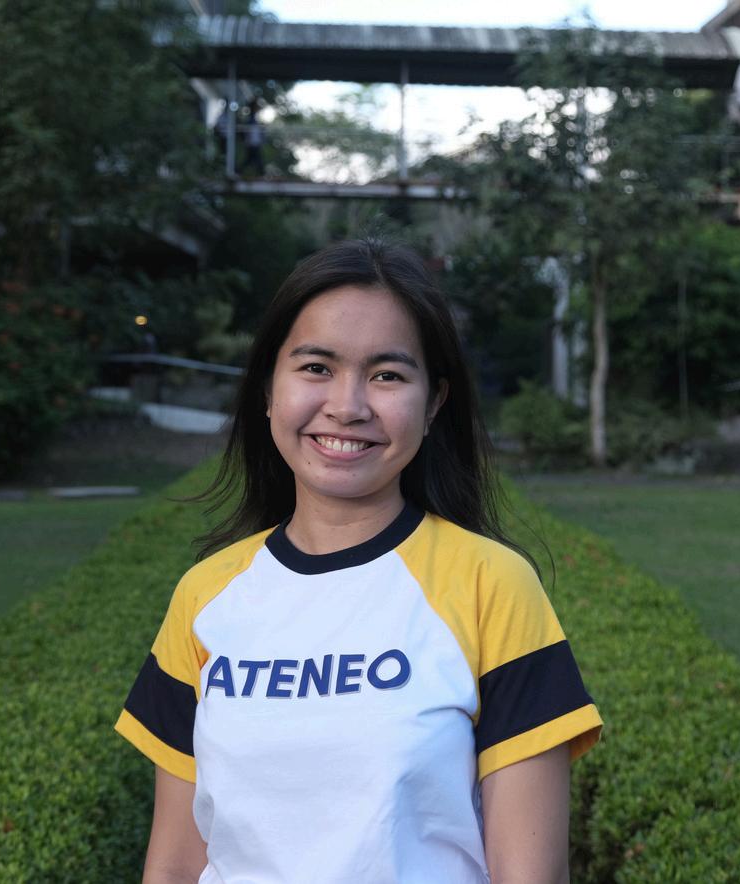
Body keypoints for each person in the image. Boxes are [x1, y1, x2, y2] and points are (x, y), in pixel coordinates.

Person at [115, 238, 602, 884]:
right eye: (316, 367)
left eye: (387, 375)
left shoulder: (492, 585)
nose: (347, 407)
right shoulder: (204, 594)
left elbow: (529, 874)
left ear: (433, 403)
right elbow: (176, 862)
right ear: (268, 390)